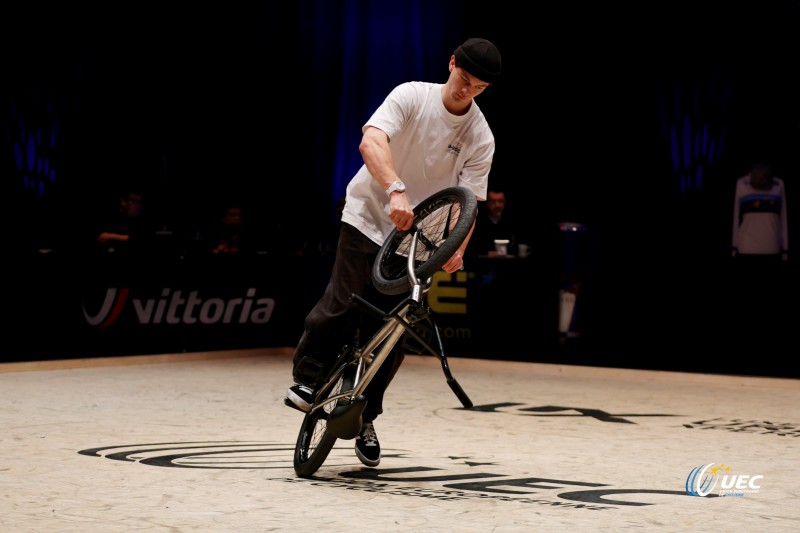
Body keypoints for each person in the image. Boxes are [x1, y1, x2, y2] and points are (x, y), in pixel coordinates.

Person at [284, 37, 502, 467]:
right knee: (345, 302)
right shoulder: (411, 96)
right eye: (463, 79)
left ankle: (365, 416)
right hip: (370, 213)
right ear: (452, 63)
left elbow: (470, 203)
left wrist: (458, 247)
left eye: (478, 87)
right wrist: (395, 190)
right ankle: (308, 380)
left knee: (393, 332)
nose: (466, 91)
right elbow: (371, 142)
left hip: (419, 242)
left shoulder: (481, 136)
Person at [732, 163, 788, 262]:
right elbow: (736, 218)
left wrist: (785, 249)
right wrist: (734, 246)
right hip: (746, 247)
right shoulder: (741, 183)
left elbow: (783, 219)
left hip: (772, 246)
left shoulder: (779, 184)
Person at [465, 186, 525, 257]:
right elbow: (471, 247)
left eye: (500, 201)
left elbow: (519, 247)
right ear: (487, 203)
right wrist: (486, 253)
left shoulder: (512, 223)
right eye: (492, 201)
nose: (497, 205)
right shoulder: (478, 223)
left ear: (505, 202)